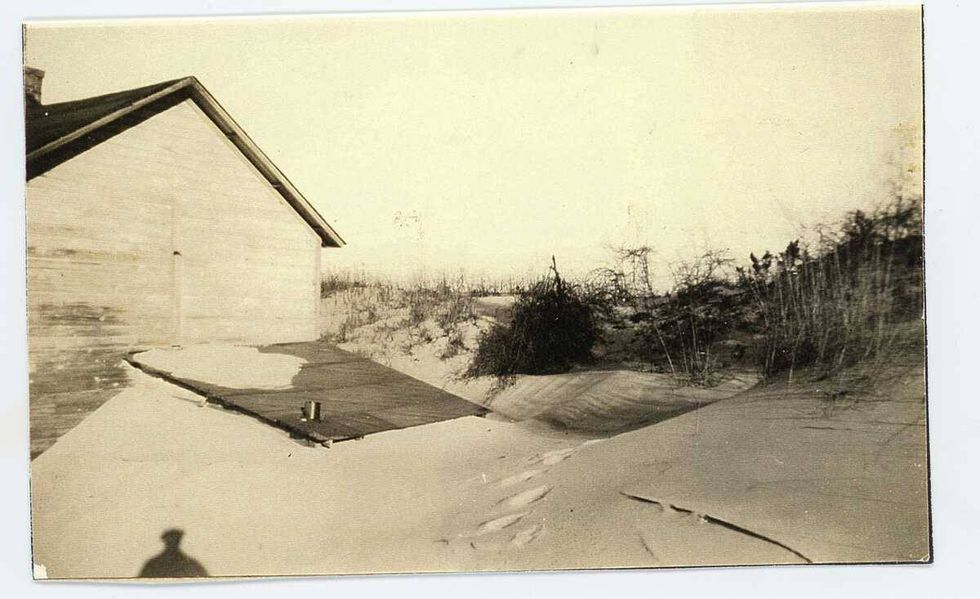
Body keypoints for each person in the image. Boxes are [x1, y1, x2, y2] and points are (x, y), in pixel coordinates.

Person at [138, 528, 208, 578]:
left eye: (175, 540)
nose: (173, 543)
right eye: (170, 540)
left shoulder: (190, 564)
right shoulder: (153, 564)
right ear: (165, 541)